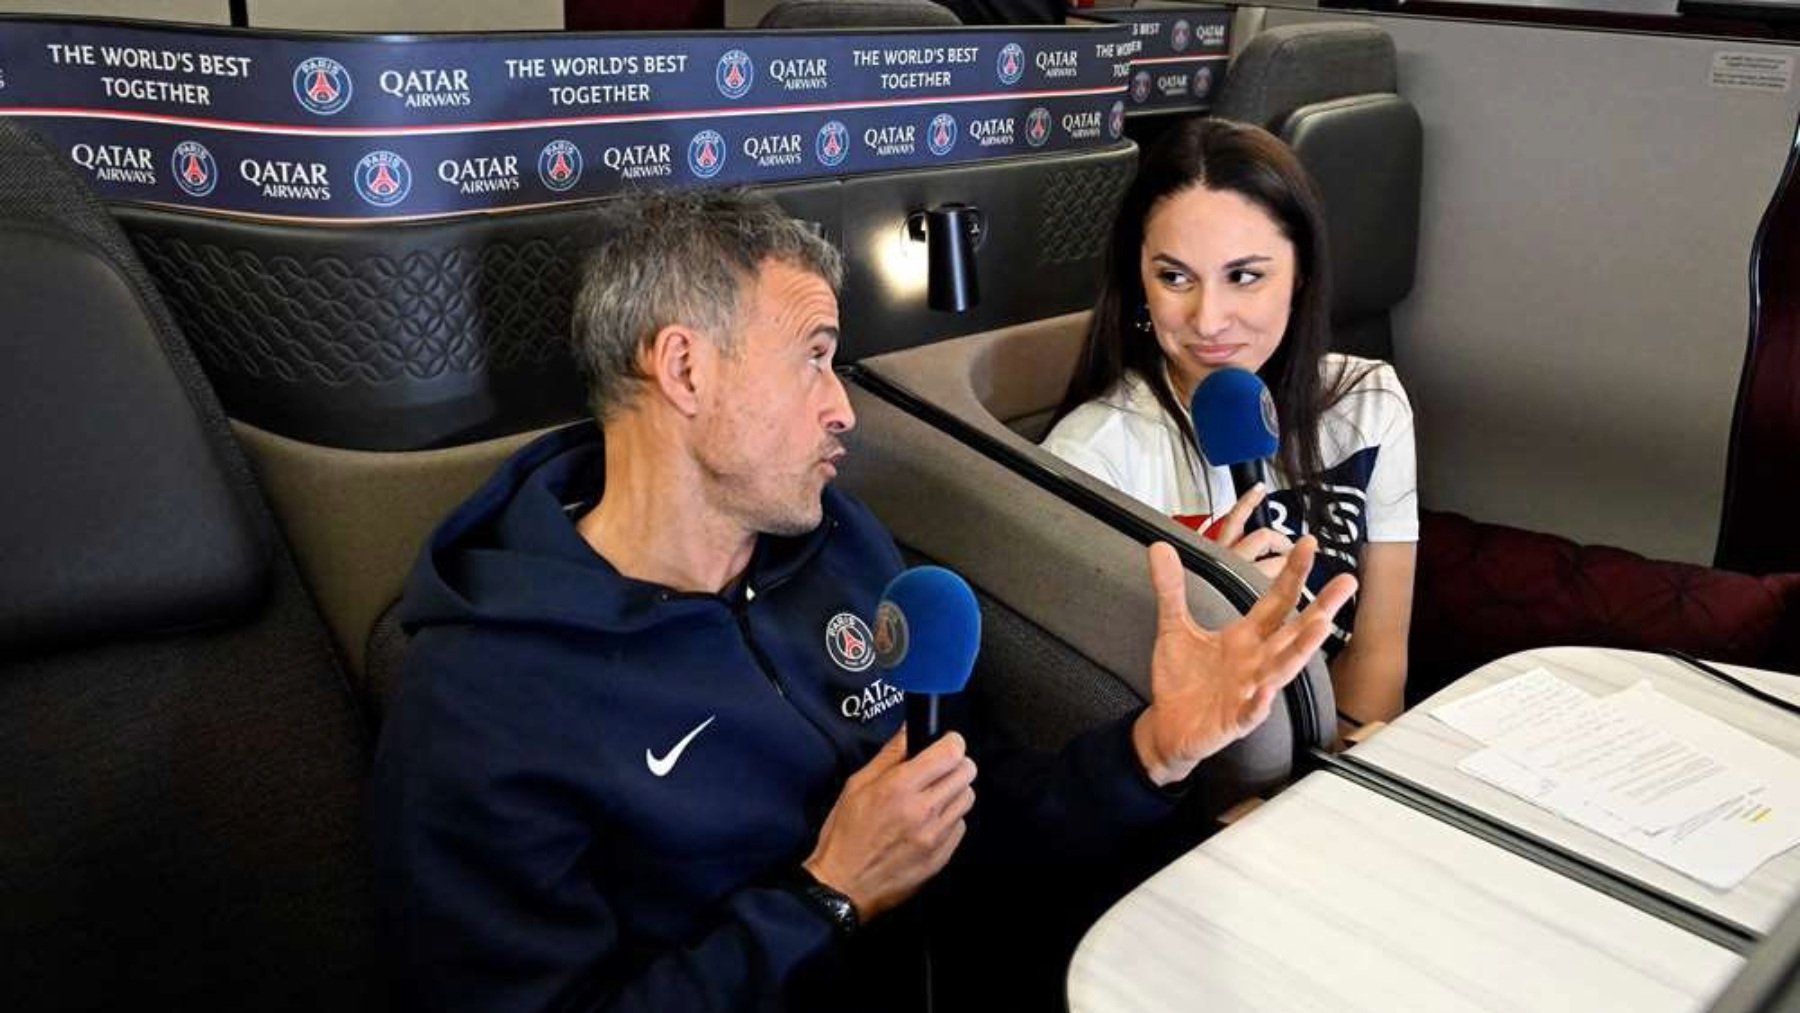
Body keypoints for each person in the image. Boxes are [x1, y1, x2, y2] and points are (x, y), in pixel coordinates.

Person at [370, 188, 1353, 1012]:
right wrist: (826, 896)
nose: (843, 406)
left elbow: (977, 813)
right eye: (813, 356)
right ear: (682, 368)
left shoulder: (840, 548)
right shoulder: (481, 702)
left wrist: (1154, 750)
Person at [1042, 118, 1418, 730]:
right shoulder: (1092, 456)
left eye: (1245, 276)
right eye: (1174, 278)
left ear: (1301, 273)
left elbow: (1377, 657)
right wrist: (1213, 604)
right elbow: (1099, 712)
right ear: (1139, 281)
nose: (1209, 320)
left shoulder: (1370, 405)